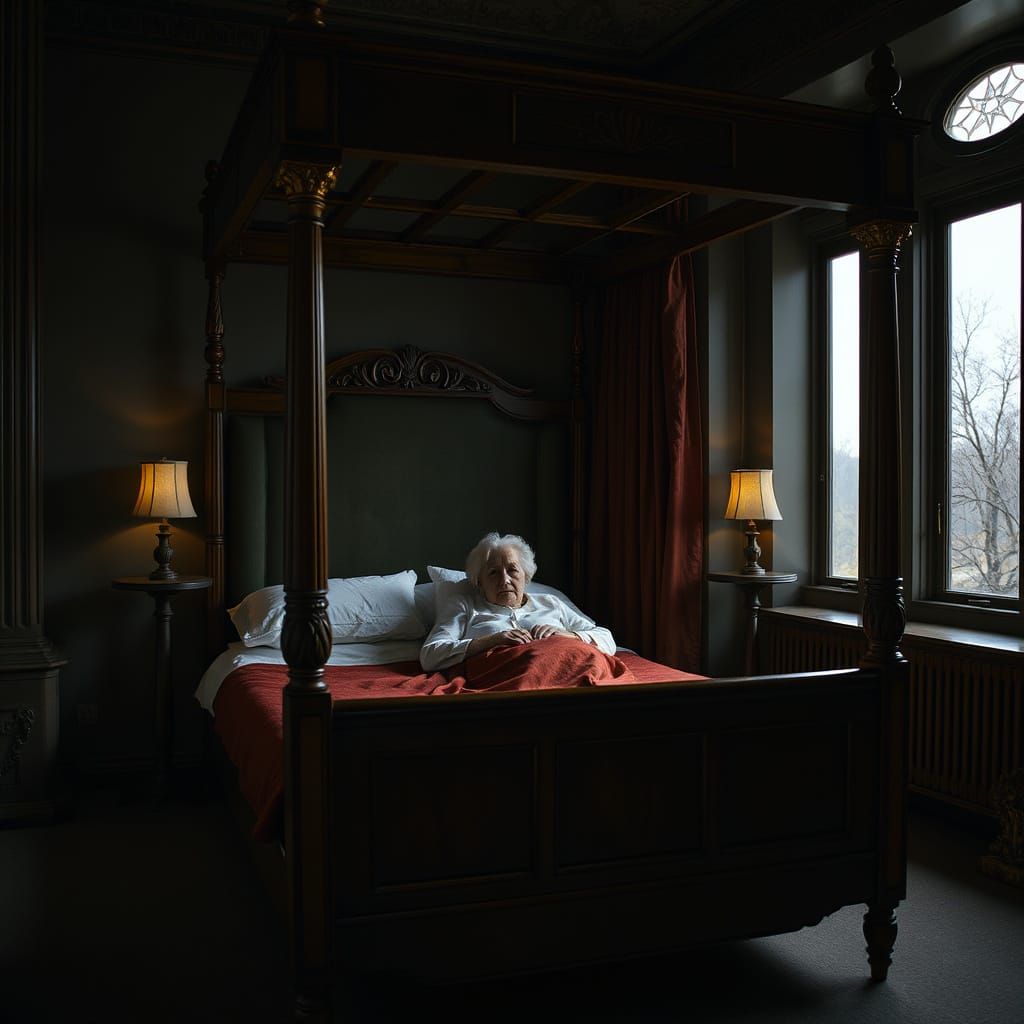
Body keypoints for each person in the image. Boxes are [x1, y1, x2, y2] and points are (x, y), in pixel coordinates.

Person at [419, 532, 616, 671]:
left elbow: (606, 639)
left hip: (570, 677)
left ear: (526, 576)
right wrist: (493, 640)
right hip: (507, 686)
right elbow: (430, 656)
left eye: (512, 570)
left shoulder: (550, 603)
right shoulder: (464, 606)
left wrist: (568, 635)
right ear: (479, 582)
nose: (505, 580)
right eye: (493, 573)